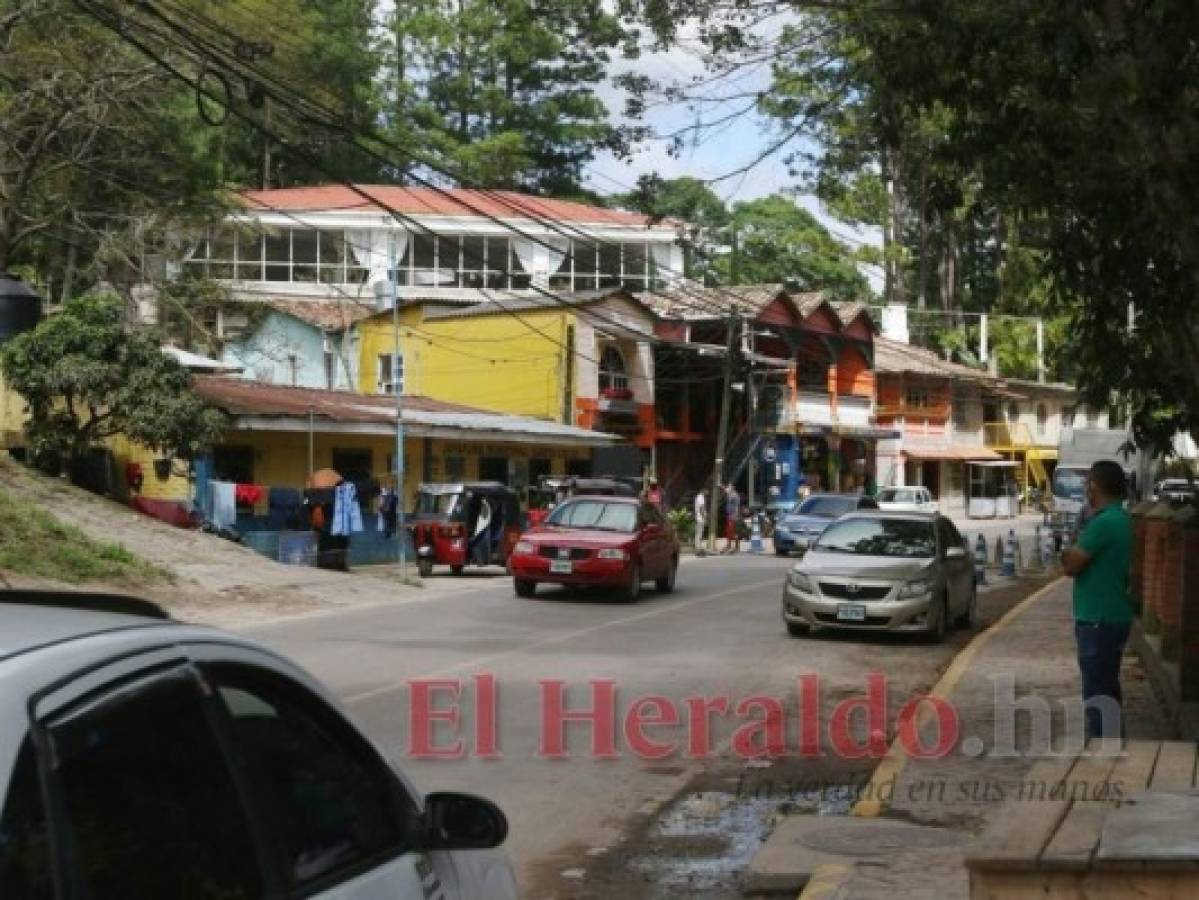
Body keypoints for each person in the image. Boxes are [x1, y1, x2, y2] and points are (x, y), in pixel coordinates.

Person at [1061, 460, 1134, 740]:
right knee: (1109, 691)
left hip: (1097, 620)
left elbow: (1071, 565)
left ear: (1094, 487)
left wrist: (1068, 552)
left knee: (1098, 697)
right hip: (1115, 615)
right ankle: (1115, 748)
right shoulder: (1123, 519)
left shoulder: (1102, 524)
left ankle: (1105, 757)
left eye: (1086, 484)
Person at [724, 484, 741, 554]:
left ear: (732, 488)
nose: (727, 488)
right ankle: (729, 545)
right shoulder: (729, 495)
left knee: (733, 531)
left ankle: (736, 547)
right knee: (728, 531)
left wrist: (735, 515)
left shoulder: (735, 496)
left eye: (729, 487)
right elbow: (724, 489)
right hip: (729, 515)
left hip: (733, 515)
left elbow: (737, 506)